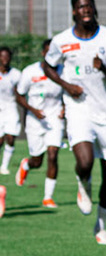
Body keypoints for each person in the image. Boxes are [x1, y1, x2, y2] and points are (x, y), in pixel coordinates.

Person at [43, 0, 106, 244]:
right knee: (85, 161)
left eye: (89, 5)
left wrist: (104, 68)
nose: (86, 10)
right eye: (81, 7)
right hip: (78, 108)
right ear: (73, 12)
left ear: (94, 9)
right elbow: (47, 65)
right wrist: (66, 85)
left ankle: (101, 228)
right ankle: (82, 182)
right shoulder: (61, 40)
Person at [16, 40, 65, 209]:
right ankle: (27, 164)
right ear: (43, 53)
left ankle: (48, 197)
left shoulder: (64, 71)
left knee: (53, 154)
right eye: (48, 51)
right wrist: (32, 109)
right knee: (38, 160)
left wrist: (64, 108)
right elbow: (19, 95)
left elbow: (69, 91)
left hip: (55, 118)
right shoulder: (30, 71)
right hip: (35, 120)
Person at [0, 47, 19, 191]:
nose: (5, 59)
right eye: (2, 56)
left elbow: (20, 92)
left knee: (11, 138)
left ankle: (4, 166)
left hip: (11, 108)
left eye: (7, 56)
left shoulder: (16, 74)